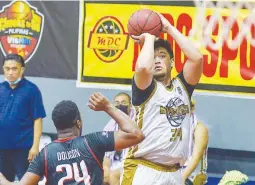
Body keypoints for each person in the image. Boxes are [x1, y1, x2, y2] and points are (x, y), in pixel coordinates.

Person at [121, 12, 203, 185]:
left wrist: (168, 28)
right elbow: (143, 66)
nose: (157, 60)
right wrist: (149, 38)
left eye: (162, 56)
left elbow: (197, 58)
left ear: (172, 62)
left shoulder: (182, 87)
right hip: (143, 170)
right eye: (154, 56)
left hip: (173, 173)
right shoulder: (144, 86)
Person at [0, 92, 145, 185]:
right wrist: (108, 107)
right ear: (78, 123)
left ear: (56, 126)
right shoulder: (93, 141)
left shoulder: (45, 154)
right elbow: (137, 134)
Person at [0, 54, 46, 181]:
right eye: (7, 68)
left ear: (22, 69)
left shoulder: (32, 90)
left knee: (27, 182)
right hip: (2, 149)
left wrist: (35, 146)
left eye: (14, 68)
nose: (10, 72)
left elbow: (38, 119)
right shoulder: (1, 89)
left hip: (23, 150)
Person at [103, 92, 136, 185]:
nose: (120, 105)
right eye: (117, 103)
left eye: (124, 102)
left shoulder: (137, 124)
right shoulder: (110, 126)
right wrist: (105, 169)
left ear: (130, 106)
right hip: (115, 165)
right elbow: (107, 156)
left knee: (113, 176)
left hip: (133, 164)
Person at [182, 99, 209, 185]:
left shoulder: (200, 129)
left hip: (192, 176)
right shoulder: (174, 128)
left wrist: (181, 179)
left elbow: (195, 159)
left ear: (192, 109)